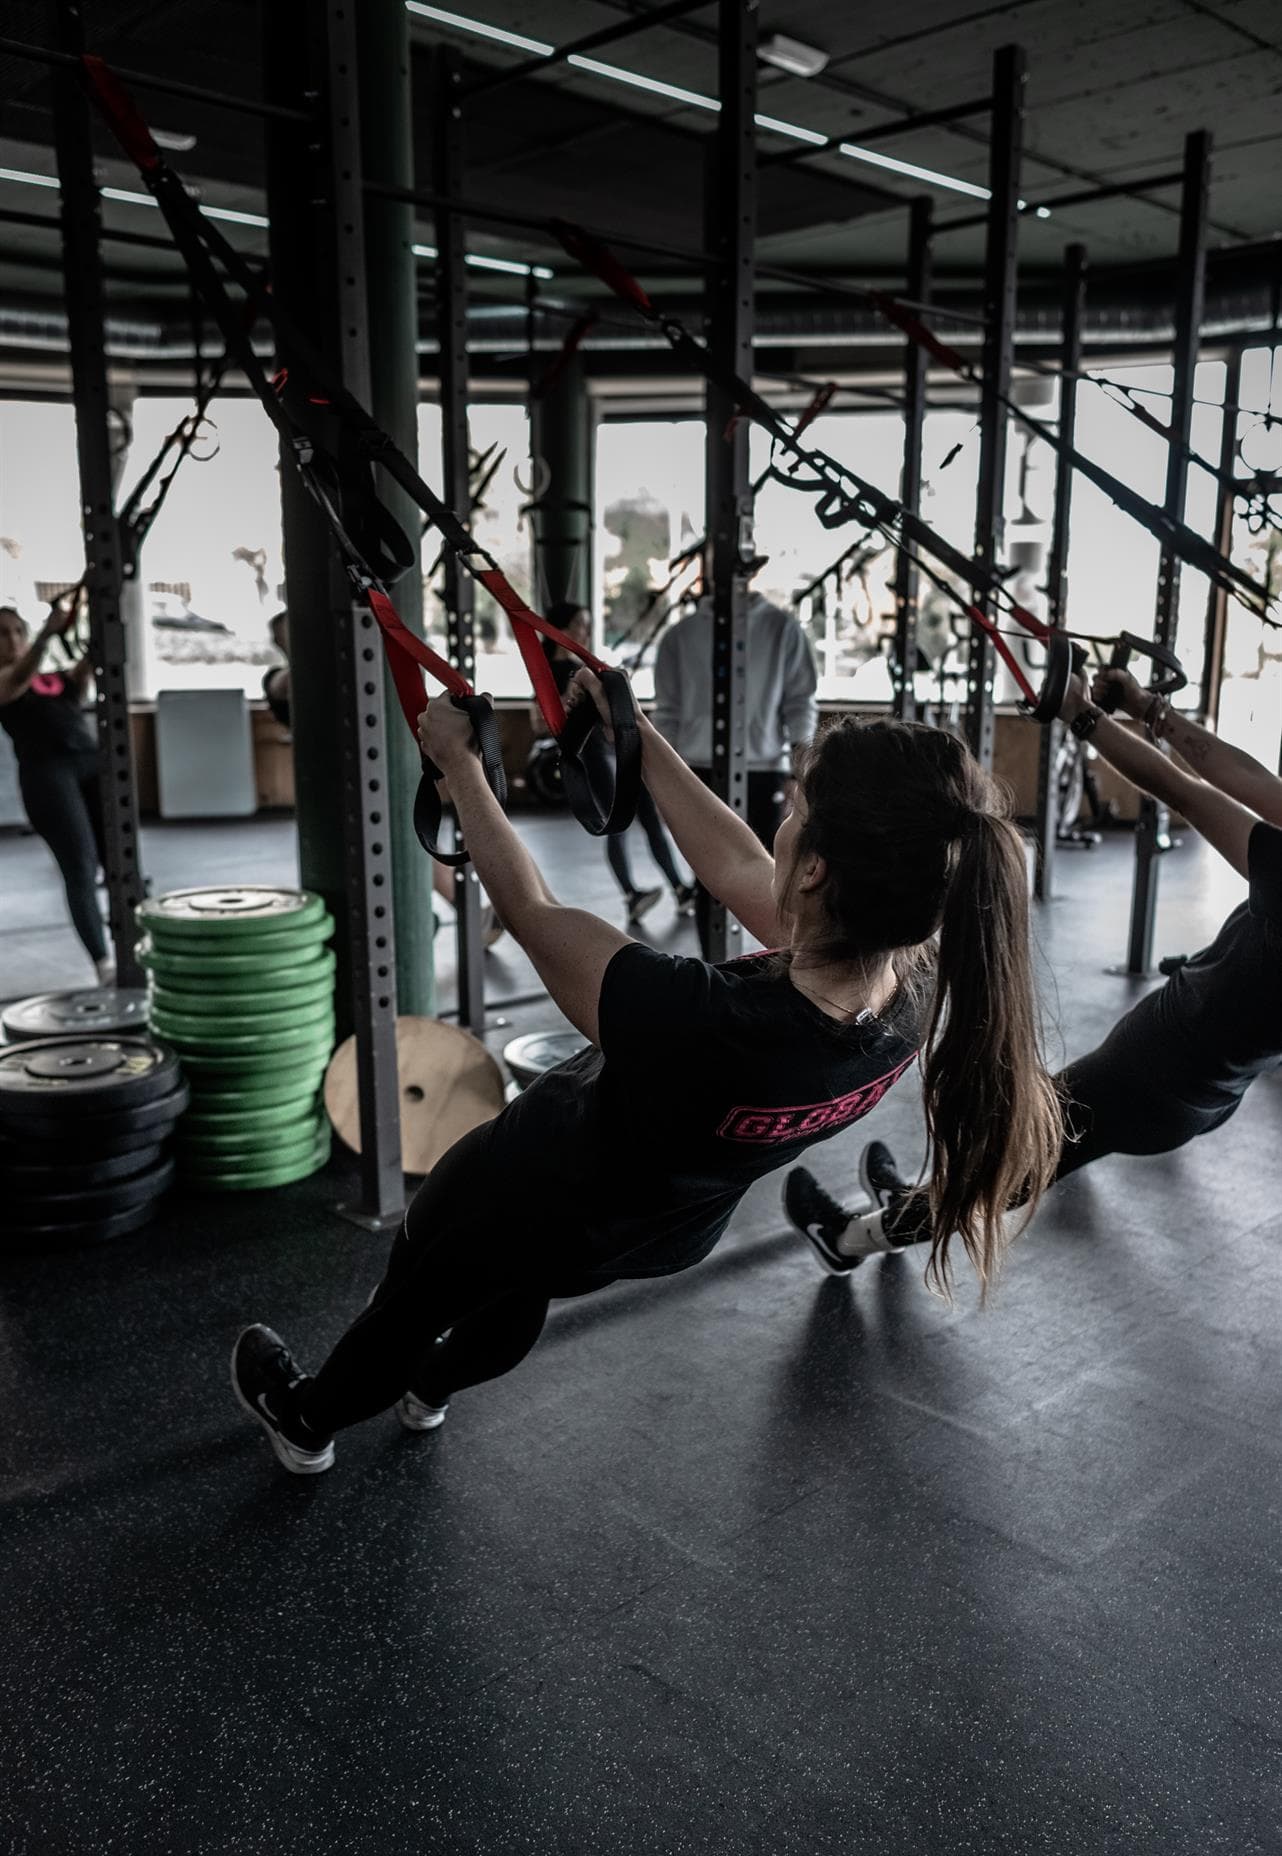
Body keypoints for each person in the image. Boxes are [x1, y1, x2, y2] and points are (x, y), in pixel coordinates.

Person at [230, 682, 1061, 1474]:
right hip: (650, 1231)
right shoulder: (907, 992)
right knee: (520, 1296)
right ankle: (433, 1388)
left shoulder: (703, 1023)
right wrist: (637, 737)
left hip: (517, 1190)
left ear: (816, 872)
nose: (779, 822)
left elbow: (532, 910)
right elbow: (738, 864)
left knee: (411, 1306)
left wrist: (461, 773)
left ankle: (309, 1422)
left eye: (796, 810)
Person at [784, 662, 1282, 1275]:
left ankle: (853, 1238)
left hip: (1161, 1071)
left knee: (1015, 1157)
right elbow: (1254, 782)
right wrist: (1151, 710)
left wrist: (1084, 716)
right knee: (1027, 1135)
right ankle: (903, 1202)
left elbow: (1186, 790)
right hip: (1202, 1078)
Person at [263, 605, 501, 946]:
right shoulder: (281, 679)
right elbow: (284, 685)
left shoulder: (351, 671)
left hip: (377, 775)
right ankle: (436, 918)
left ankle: (451, 917)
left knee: (411, 844)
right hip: (331, 793)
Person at [652, 555, 818, 958]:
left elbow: (800, 703)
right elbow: (668, 713)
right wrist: (663, 779)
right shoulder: (681, 635)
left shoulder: (782, 628)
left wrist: (799, 769)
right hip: (697, 767)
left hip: (763, 768)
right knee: (710, 876)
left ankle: (775, 969)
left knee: (770, 876)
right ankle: (715, 965)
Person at [529, 601, 695, 926]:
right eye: (580, 625)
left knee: (648, 818)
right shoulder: (555, 672)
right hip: (592, 758)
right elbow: (541, 722)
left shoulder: (579, 668)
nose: (585, 632)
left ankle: (678, 887)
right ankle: (633, 894)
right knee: (617, 825)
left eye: (588, 625)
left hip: (614, 754)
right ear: (561, 630)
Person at [0, 596, 112, 983]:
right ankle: (103, 964)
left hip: (91, 763)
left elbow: (82, 676)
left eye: (18, 631)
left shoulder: (51, 678)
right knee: (81, 867)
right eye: (2, 633)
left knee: (122, 863)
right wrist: (47, 635)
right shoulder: (6, 681)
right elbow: (15, 681)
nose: (12, 640)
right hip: (48, 776)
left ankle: (137, 947)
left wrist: (99, 620)